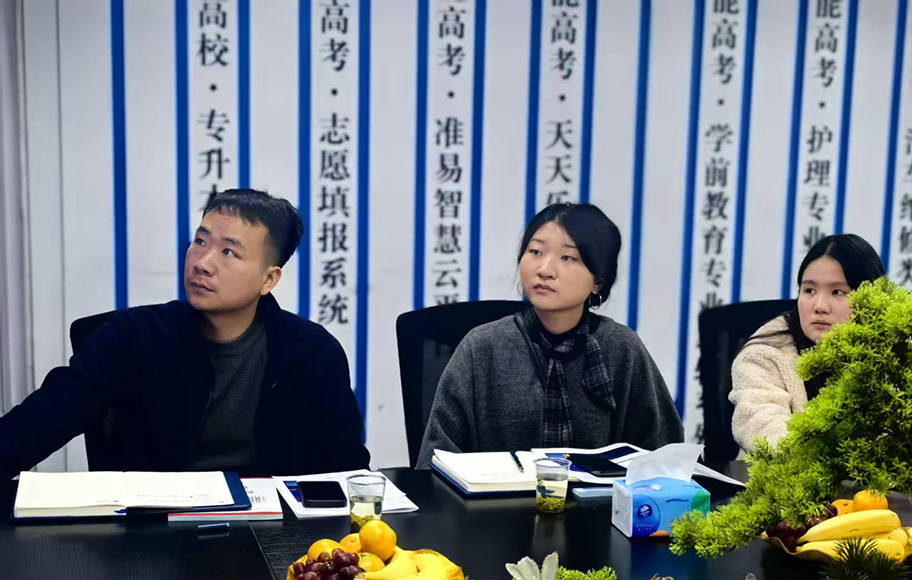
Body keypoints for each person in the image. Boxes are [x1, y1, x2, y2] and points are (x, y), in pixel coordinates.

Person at [0, 189, 370, 476]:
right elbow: (38, 422)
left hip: (269, 535)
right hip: (151, 535)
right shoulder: (132, 337)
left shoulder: (311, 351)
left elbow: (346, 467)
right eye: (200, 241)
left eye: (229, 252)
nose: (202, 263)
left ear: (268, 279)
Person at [415, 203, 683, 468]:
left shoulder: (622, 348)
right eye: (535, 251)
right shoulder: (482, 348)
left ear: (598, 281)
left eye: (567, 258)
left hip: (601, 498)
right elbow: (435, 462)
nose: (544, 270)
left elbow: (663, 457)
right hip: (493, 498)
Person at [729, 233, 885, 454]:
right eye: (809, 290)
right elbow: (762, 427)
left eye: (838, 292)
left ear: (871, 298)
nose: (820, 306)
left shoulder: (894, 351)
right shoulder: (764, 353)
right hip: (785, 474)